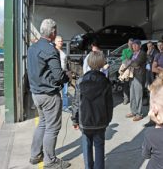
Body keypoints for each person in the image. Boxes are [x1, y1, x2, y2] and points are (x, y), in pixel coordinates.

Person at [27, 19, 71, 169]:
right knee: (52, 128)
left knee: (43, 124)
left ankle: (35, 155)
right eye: (56, 31)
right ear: (53, 33)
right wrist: (68, 77)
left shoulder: (32, 48)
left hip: (36, 93)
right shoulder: (50, 49)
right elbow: (58, 75)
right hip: (49, 95)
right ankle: (50, 161)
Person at [72, 51, 113, 169]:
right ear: (101, 63)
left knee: (86, 146)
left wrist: (75, 120)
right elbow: (109, 104)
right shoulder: (105, 82)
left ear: (89, 63)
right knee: (99, 147)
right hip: (100, 121)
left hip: (85, 121)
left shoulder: (81, 81)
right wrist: (107, 120)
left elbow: (76, 103)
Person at [125, 39, 147, 121]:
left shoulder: (142, 54)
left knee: (138, 96)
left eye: (135, 45)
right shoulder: (133, 54)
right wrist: (131, 63)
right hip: (132, 76)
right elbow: (126, 62)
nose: (133, 46)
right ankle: (133, 111)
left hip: (139, 77)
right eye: (133, 45)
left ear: (139, 46)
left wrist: (131, 63)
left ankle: (139, 114)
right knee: (132, 95)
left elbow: (136, 64)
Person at [55, 36, 71, 113]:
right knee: (56, 91)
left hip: (64, 73)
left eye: (61, 41)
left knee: (65, 92)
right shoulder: (53, 51)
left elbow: (66, 63)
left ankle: (65, 107)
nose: (61, 42)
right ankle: (56, 107)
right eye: (59, 41)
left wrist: (68, 72)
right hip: (56, 74)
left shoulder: (63, 51)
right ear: (55, 42)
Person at [120, 38, 134, 105]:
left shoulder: (135, 51)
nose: (130, 45)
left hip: (134, 70)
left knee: (132, 85)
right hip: (127, 70)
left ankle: (132, 99)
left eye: (131, 44)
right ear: (128, 44)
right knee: (126, 85)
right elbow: (123, 59)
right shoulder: (124, 50)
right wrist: (130, 61)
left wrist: (129, 60)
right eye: (129, 43)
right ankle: (126, 99)